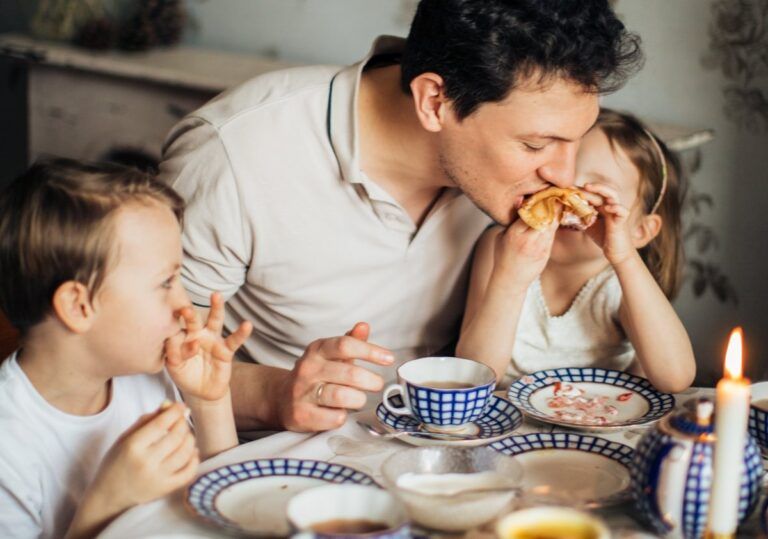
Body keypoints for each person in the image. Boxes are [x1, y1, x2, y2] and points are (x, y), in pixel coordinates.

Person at [159, 0, 644, 432]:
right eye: (535, 144)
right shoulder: (235, 152)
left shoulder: (515, 181)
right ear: (435, 100)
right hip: (288, 460)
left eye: (576, 138)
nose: (563, 173)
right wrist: (274, 394)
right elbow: (151, 364)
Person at [0, 158, 251, 538]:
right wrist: (107, 504)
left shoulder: (144, 378)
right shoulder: (9, 445)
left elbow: (223, 511)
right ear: (78, 307)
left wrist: (210, 403)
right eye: (166, 282)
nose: (187, 308)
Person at [456, 109, 696, 393]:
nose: (569, 199)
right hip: (513, 423)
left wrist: (625, 257)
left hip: (600, 422)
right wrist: (510, 279)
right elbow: (473, 377)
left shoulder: (621, 282)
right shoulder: (502, 247)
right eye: (560, 183)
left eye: (597, 192)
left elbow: (676, 378)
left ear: (640, 231)